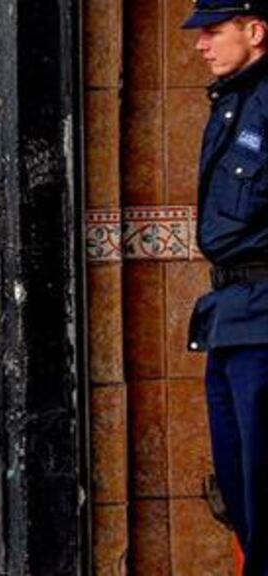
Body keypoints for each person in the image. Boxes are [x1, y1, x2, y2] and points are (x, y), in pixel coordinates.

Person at [185, 2, 268, 574]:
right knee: (241, 487)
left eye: (214, 32)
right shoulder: (232, 102)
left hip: (264, 317)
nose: (200, 44)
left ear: (255, 31)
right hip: (232, 314)